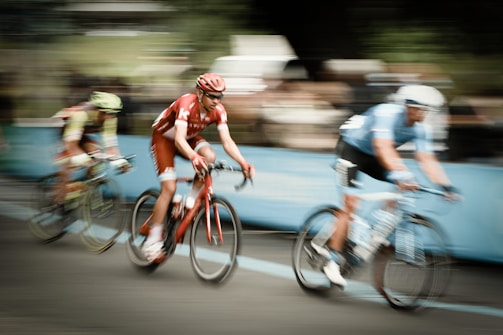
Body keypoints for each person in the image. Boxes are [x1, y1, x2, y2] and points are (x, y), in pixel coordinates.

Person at [312, 84, 459, 288]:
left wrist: (446, 186)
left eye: (428, 110)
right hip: (351, 150)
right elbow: (383, 147)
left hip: (375, 156)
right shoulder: (386, 113)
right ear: (410, 106)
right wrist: (399, 174)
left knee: (405, 186)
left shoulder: (420, 129)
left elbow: (426, 159)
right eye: (424, 109)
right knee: (351, 204)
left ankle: (376, 228)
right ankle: (333, 261)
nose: (426, 114)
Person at [143, 73, 255, 262]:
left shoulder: (218, 110)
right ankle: (153, 239)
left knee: (210, 156)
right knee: (169, 188)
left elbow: (227, 142)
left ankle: (190, 201)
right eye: (211, 95)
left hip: (187, 137)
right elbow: (178, 140)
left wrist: (243, 163)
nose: (216, 101)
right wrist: (194, 157)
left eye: (219, 96)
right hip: (164, 139)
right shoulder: (186, 103)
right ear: (199, 92)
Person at [52, 91, 130, 204]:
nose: (109, 116)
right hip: (66, 129)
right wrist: (81, 158)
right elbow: (71, 144)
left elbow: (111, 146)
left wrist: (120, 161)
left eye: (113, 113)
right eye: (106, 112)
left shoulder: (110, 118)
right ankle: (58, 196)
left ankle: (83, 187)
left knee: (95, 152)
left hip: (82, 133)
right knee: (69, 161)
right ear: (97, 109)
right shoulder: (81, 114)